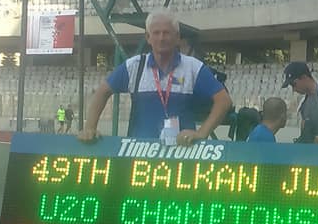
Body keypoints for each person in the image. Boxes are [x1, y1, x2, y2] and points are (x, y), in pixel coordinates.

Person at [78, 11, 232, 144]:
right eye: (156, 33)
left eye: (166, 33)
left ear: (177, 37)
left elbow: (224, 101)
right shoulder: (134, 66)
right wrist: (90, 127)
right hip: (140, 152)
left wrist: (202, 133)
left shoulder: (193, 67)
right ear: (148, 37)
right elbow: (102, 92)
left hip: (182, 152)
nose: (161, 38)